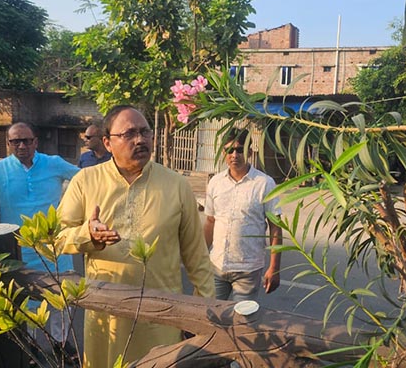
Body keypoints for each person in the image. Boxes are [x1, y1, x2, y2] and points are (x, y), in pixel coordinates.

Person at [57, 105, 214, 367]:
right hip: (105, 319)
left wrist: (201, 318)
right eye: (129, 134)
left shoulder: (176, 185)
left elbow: (197, 257)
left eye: (145, 132)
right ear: (107, 142)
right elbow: (56, 237)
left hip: (161, 319)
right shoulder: (85, 181)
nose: (140, 139)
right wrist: (87, 235)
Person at [0, 122, 80, 344]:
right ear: (8, 144)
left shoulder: (54, 163)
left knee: (61, 300)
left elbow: (83, 181)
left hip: (55, 249)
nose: (22, 145)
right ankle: (31, 349)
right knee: (24, 304)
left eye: (27, 140)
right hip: (18, 252)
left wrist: (75, 211)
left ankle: (60, 346)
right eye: (16, 141)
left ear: (36, 141)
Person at [204, 128, 283, 301]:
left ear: (249, 151)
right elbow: (210, 221)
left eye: (240, 150)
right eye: (229, 150)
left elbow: (276, 228)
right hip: (217, 264)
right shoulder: (215, 183)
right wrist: (200, 257)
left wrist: (274, 268)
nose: (234, 155)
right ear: (223, 152)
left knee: (242, 320)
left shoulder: (264, 184)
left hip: (248, 269)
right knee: (211, 317)